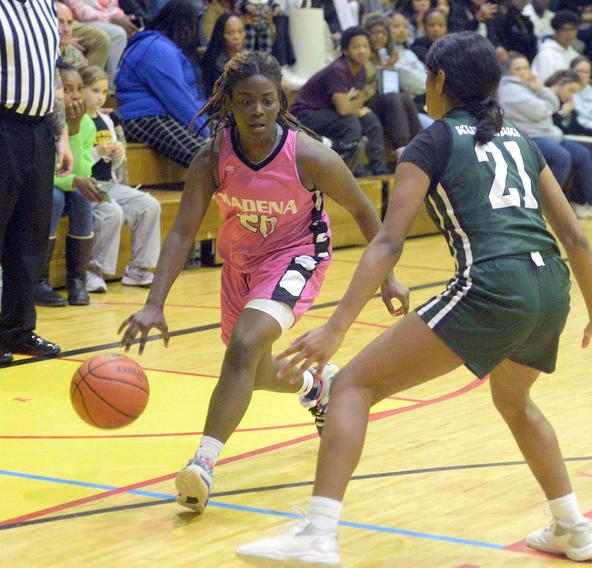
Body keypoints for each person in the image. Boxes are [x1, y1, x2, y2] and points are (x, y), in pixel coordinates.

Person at [235, 31, 592, 566]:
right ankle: (573, 527)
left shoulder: (431, 142)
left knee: (349, 387)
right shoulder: (520, 139)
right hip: (551, 285)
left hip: (493, 283)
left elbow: (388, 242)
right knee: (515, 401)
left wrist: (335, 328)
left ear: (438, 82)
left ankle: (318, 534)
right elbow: (575, 237)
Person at [118, 51, 409, 513]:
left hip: (298, 255)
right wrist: (154, 303)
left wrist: (388, 277)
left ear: (281, 103)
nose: (257, 110)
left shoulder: (309, 155)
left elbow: (364, 211)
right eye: (246, 101)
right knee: (253, 372)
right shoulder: (212, 158)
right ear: (228, 103)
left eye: (267, 101)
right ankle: (318, 387)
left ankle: (203, 464)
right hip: (241, 265)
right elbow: (181, 231)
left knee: (245, 342)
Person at [0, 0, 71, 365]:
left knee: (30, 236)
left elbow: (52, 72)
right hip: (4, 124)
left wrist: (62, 135)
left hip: (40, 127)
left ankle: (17, 328)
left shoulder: (46, 6)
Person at [499, 52, 592, 220]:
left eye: (526, 67)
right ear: (508, 71)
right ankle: (544, 206)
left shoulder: (529, 87)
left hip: (547, 134)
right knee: (562, 156)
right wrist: (546, 102)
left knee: (583, 154)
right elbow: (544, 110)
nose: (523, 72)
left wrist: (540, 91)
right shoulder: (509, 90)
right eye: (518, 69)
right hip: (527, 137)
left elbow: (548, 108)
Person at [79, 65, 161, 292]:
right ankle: (93, 271)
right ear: (81, 89)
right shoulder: (76, 122)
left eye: (104, 92)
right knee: (112, 211)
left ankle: (139, 269)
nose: (100, 97)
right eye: (95, 90)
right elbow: (79, 163)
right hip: (87, 184)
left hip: (109, 183)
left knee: (149, 204)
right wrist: (98, 152)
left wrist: (117, 155)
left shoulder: (105, 121)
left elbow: (112, 166)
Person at [116, 0, 209, 168]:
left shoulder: (165, 46)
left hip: (162, 114)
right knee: (208, 158)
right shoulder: (157, 48)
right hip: (143, 117)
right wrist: (207, 133)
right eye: (189, 27)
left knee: (217, 152)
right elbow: (178, 100)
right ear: (178, 26)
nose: (192, 34)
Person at [40, 62, 104, 307]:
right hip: (44, 191)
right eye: (67, 90)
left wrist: (75, 131)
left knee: (81, 196)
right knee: (54, 197)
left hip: (68, 189)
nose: (75, 96)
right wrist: (74, 180)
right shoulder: (45, 123)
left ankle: (77, 279)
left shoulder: (86, 124)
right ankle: (39, 280)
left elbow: (83, 172)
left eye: (79, 89)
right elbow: (45, 174)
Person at [290, 27, 388, 175]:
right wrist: (356, 110)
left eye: (365, 46)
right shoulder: (338, 70)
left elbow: (358, 100)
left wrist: (355, 109)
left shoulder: (361, 70)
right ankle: (347, 171)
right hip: (306, 114)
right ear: (345, 51)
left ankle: (379, 170)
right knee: (350, 123)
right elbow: (343, 109)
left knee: (371, 120)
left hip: (329, 113)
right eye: (356, 47)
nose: (362, 51)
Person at [66, 0, 138, 82]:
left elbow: (113, 5)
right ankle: (107, 86)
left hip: (105, 18)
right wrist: (111, 18)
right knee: (118, 34)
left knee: (134, 31)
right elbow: (81, 12)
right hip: (79, 20)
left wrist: (122, 18)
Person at [201, 13, 246, 96]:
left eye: (240, 31)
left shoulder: (247, 57)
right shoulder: (215, 64)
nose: (236, 37)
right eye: (230, 33)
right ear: (221, 35)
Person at [532, 10, 581, 85]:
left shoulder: (575, 55)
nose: (569, 34)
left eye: (572, 29)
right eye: (564, 30)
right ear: (556, 32)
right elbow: (546, 85)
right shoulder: (546, 55)